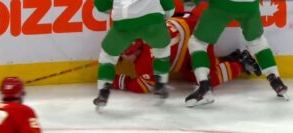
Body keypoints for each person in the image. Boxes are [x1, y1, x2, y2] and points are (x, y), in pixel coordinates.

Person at [93, 0, 175, 108]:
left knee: (108, 56)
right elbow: (169, 4)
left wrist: (101, 4)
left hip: (123, 21)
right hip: (151, 19)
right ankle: (160, 84)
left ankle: (103, 92)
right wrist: (164, 18)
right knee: (162, 49)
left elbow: (101, 8)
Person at [112, 12, 261, 93]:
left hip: (199, 36)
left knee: (205, 79)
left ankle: (242, 63)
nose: (124, 57)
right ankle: (227, 59)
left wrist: (115, 80)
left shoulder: (147, 61)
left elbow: (142, 86)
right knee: (189, 74)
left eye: (124, 55)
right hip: (190, 22)